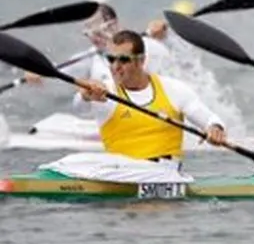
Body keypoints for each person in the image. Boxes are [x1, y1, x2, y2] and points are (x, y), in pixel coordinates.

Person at [73, 30, 226, 166]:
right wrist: (85, 95)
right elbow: (78, 107)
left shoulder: (173, 89)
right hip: (120, 176)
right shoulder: (103, 91)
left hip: (166, 174)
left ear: (141, 61)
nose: (115, 66)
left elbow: (209, 119)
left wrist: (215, 129)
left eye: (124, 60)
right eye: (111, 59)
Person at [24, 3, 171, 86]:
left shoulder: (150, 47)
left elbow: (171, 77)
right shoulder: (91, 57)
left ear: (115, 25)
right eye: (89, 33)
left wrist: (166, 34)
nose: (94, 38)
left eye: (99, 31)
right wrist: (40, 70)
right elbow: (58, 71)